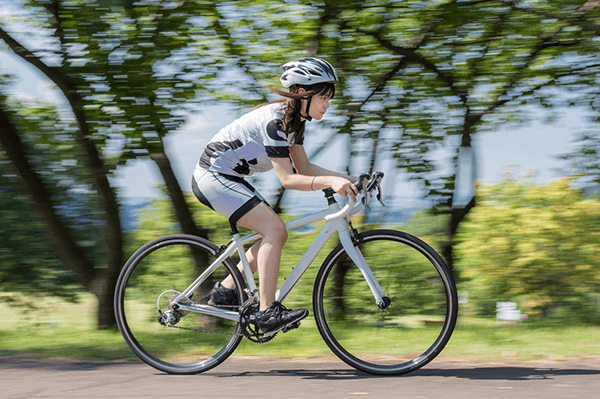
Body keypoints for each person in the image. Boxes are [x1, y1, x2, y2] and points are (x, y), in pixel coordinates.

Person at [192, 57, 358, 336]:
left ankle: (226, 291)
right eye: (324, 97)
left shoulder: (294, 122)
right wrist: (332, 181)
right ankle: (266, 310)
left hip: (229, 178)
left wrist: (353, 180)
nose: (328, 104)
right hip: (213, 177)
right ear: (303, 94)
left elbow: (304, 168)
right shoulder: (275, 121)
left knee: (276, 234)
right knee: (273, 228)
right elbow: (289, 179)